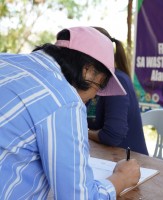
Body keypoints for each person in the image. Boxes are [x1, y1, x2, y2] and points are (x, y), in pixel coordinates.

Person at [0, 26, 140, 199]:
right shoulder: (65, 101)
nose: (95, 94)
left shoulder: (5, 61)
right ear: (87, 71)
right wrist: (122, 178)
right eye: (101, 84)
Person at [87, 27, 148, 155]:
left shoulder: (116, 81)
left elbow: (112, 135)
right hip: (106, 157)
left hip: (130, 163)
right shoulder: (92, 82)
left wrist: (83, 132)